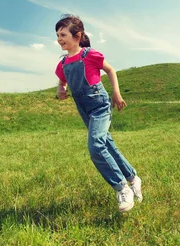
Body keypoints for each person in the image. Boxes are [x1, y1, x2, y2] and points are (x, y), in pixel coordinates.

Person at [55, 14, 142, 212]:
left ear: (77, 36)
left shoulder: (90, 55)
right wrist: (61, 89)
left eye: (63, 34)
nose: (59, 39)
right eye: (57, 35)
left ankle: (122, 188)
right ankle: (133, 177)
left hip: (100, 105)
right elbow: (62, 81)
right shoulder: (62, 64)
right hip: (84, 109)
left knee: (95, 146)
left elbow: (111, 70)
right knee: (106, 144)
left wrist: (116, 95)